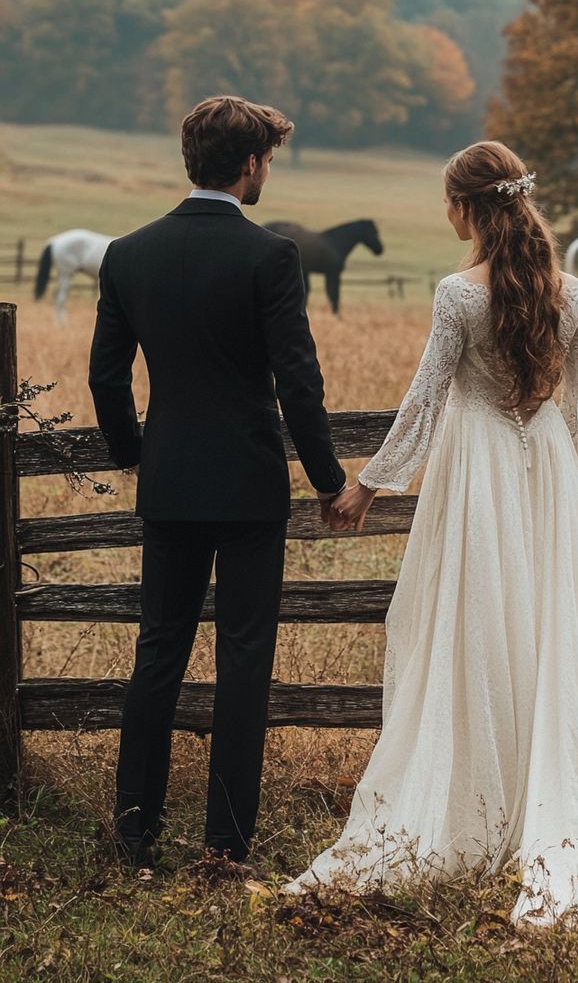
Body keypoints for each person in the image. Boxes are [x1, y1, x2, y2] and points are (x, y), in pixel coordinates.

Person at [286, 141, 578, 926]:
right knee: (550, 628)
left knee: (473, 626)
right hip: (542, 464)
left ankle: (474, 802)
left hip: (475, 467)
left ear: (466, 206)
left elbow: (421, 401)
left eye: (449, 201)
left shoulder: (456, 294)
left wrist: (368, 485)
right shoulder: (573, 294)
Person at [88, 95, 345, 870]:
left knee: (157, 653)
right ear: (251, 163)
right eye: (268, 158)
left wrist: (136, 452)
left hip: (169, 483)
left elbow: (106, 376)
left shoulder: (127, 253)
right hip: (249, 487)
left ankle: (135, 833)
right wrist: (329, 478)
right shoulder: (270, 256)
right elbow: (297, 384)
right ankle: (226, 844)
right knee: (243, 660)